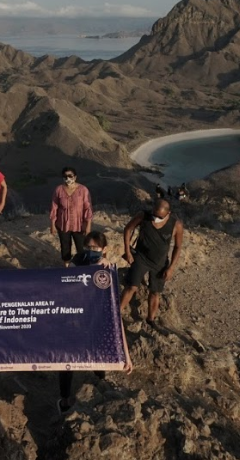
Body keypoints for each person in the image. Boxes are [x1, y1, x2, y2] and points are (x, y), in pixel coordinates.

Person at [57, 231, 131, 414]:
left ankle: (100, 385)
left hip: (95, 321)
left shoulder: (108, 272)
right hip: (74, 320)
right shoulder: (77, 262)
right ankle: (65, 400)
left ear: (104, 249)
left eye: (95, 248)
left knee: (99, 354)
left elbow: (114, 315)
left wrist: (126, 356)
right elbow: (67, 284)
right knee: (67, 360)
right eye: (88, 247)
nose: (91, 250)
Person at [120, 199, 183, 327]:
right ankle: (117, 311)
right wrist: (127, 251)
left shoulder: (176, 225)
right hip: (141, 258)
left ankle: (151, 319)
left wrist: (171, 268)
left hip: (160, 262)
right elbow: (128, 229)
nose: (156, 219)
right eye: (154, 214)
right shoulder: (143, 216)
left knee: (155, 291)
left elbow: (178, 247)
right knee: (131, 286)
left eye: (160, 217)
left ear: (168, 213)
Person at [49, 167, 93, 267]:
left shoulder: (83, 190)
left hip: (79, 224)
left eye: (70, 176)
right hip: (63, 224)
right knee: (65, 247)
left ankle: (82, 267)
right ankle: (67, 268)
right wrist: (52, 224)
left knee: (81, 248)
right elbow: (54, 207)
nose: (68, 178)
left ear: (75, 177)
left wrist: (88, 225)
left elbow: (88, 207)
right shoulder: (59, 190)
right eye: (65, 176)